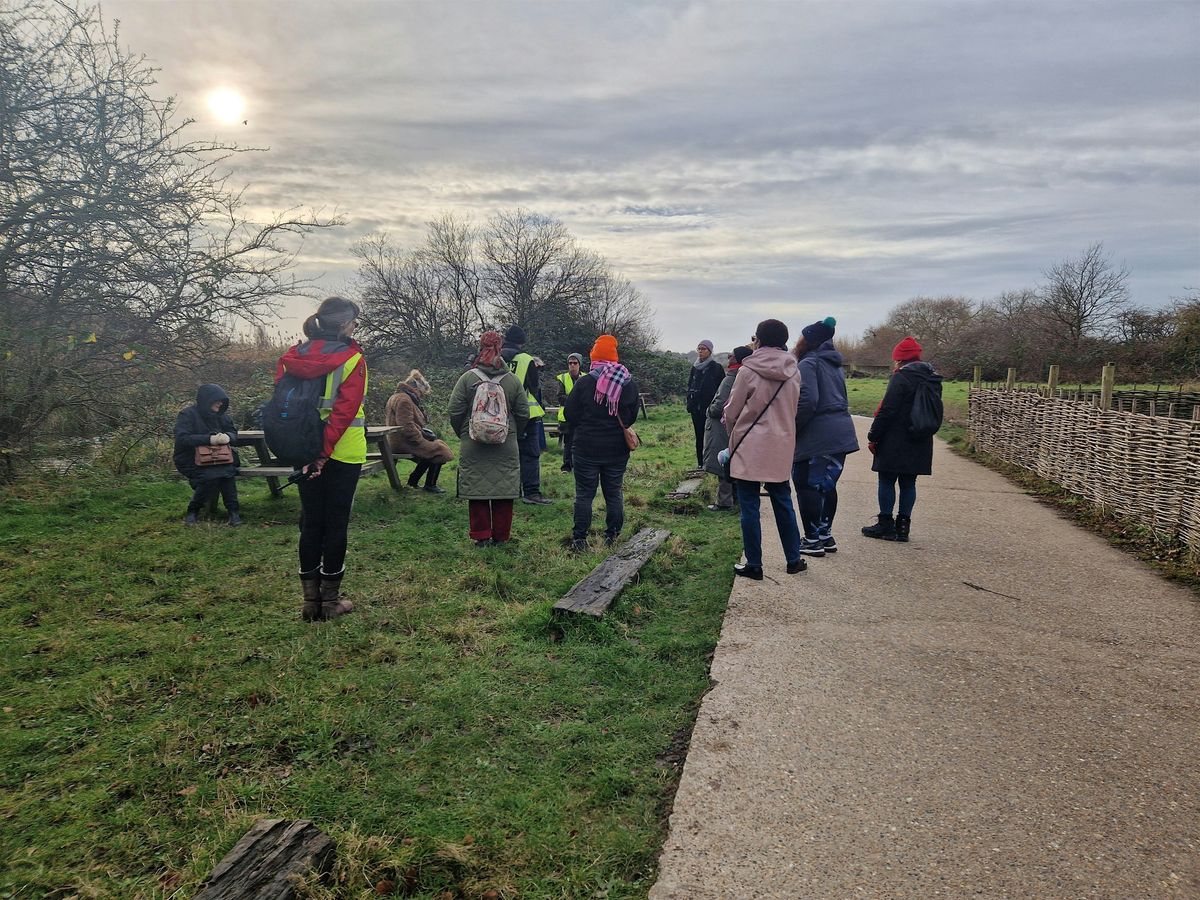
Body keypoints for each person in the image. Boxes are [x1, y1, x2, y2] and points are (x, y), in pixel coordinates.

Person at [276, 296, 367, 622]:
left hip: (301, 450)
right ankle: (330, 602)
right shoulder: (352, 359)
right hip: (342, 453)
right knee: (336, 523)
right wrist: (324, 455)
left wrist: (309, 456)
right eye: (354, 321)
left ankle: (309, 602)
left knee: (311, 522)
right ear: (344, 324)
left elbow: (285, 409)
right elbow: (343, 414)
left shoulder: (291, 358)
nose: (356, 327)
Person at [719, 319, 805, 580]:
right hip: (781, 445)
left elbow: (731, 411)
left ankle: (754, 564)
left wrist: (732, 437)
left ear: (758, 339)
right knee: (783, 503)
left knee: (749, 506)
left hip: (749, 446)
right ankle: (793, 559)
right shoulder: (794, 370)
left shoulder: (747, 371)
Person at [448, 331, 531, 547]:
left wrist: (465, 433)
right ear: (500, 349)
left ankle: (481, 536)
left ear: (479, 347)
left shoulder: (467, 378)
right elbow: (523, 413)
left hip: (473, 443)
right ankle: (501, 537)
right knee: (504, 492)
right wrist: (512, 431)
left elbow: (455, 410)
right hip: (506, 443)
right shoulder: (511, 380)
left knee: (477, 492)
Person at [862, 336, 944, 543]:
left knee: (887, 479)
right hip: (920, 437)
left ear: (899, 359)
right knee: (909, 482)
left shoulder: (901, 377)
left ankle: (886, 525)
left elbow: (888, 410)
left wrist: (874, 434)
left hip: (895, 438)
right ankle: (903, 527)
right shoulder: (932, 378)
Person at [563, 335, 640, 551]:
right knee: (613, 492)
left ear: (594, 356)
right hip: (616, 449)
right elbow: (630, 418)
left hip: (586, 447)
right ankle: (612, 536)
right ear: (615, 356)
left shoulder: (585, 382)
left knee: (584, 494)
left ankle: (579, 539)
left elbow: (570, 414)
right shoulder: (627, 382)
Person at [792, 317, 860, 556]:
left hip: (818, 435)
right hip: (840, 434)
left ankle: (811, 540)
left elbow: (808, 401)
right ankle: (824, 534)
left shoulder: (809, 364)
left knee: (806, 484)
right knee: (826, 486)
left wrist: (793, 427)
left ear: (808, 340)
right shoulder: (833, 364)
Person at [173, 384, 242, 526]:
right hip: (190, 458)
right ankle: (196, 511)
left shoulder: (222, 416)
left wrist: (228, 437)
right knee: (212, 476)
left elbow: (234, 434)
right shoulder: (187, 415)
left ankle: (231, 512)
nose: (220, 403)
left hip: (220, 458)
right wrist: (210, 439)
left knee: (226, 473)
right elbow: (182, 438)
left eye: (222, 401)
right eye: (217, 400)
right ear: (207, 400)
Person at [500, 325, 551, 504]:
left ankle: (509, 490)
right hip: (526, 415)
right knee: (529, 454)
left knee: (506, 454)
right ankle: (531, 493)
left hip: (499, 415)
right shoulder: (526, 360)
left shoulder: (496, 358)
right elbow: (534, 387)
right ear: (522, 342)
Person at [384, 369, 455, 493]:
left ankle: (414, 481)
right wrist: (419, 439)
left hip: (398, 440)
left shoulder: (397, 396)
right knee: (439, 451)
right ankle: (429, 485)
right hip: (404, 442)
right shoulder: (404, 400)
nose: (420, 396)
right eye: (421, 393)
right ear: (416, 390)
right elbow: (406, 425)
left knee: (435, 446)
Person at [703, 346, 752, 511]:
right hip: (740, 426)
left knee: (723, 463)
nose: (729, 356)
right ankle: (737, 499)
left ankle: (723, 501)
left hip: (722, 427)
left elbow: (719, 406)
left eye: (733, 355)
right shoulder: (750, 376)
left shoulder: (731, 378)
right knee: (736, 461)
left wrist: (709, 410)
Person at [686, 339, 725, 468]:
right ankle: (700, 463)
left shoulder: (716, 367)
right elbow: (690, 384)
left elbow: (721, 388)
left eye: (703, 349)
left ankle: (712, 463)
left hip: (710, 408)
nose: (701, 351)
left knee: (711, 437)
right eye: (699, 349)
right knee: (699, 436)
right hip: (696, 409)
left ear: (710, 351)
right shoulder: (695, 367)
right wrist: (689, 404)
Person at [555, 352, 583, 473]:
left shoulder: (586, 377)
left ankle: (579, 465)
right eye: (570, 363)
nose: (572, 365)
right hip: (566, 416)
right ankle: (566, 466)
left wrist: (571, 399)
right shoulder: (562, 378)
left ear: (579, 364)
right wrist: (576, 400)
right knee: (568, 442)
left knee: (581, 442)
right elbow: (560, 397)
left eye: (575, 363)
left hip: (581, 416)